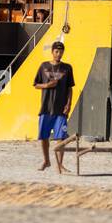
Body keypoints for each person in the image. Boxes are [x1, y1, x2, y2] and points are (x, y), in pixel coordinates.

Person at [33, 40, 74, 172]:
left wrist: (68, 104)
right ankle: (46, 161)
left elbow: (69, 89)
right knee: (44, 137)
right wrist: (46, 85)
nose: (59, 54)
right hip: (45, 108)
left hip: (61, 110)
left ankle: (59, 164)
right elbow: (35, 84)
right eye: (56, 51)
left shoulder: (67, 68)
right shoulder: (43, 66)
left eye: (61, 51)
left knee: (61, 138)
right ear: (52, 52)